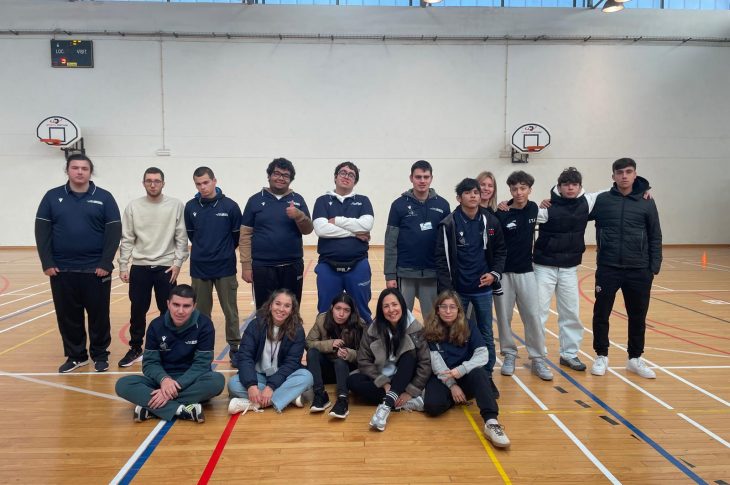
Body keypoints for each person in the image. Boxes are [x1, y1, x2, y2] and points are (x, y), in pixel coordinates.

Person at [35, 154, 121, 373]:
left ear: (90, 172)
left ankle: (100, 355)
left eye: (84, 168)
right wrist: (47, 262)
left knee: (99, 316)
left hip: (96, 270)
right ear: (67, 170)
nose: (80, 172)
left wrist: (105, 263)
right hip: (62, 270)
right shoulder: (52, 197)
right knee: (68, 316)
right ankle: (76, 356)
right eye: (75, 167)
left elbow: (113, 233)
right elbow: (42, 232)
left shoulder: (104, 197)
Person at [589, 158, 662, 379]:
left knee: (638, 316)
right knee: (601, 313)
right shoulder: (602, 200)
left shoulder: (646, 202)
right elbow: (573, 211)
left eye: (628, 172)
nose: (624, 176)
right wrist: (550, 199)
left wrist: (653, 267)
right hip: (608, 267)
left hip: (639, 270)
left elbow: (655, 234)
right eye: (619, 172)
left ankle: (635, 358)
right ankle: (601, 355)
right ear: (613, 176)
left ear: (635, 174)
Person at [435, 178, 506, 397]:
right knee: (456, 332)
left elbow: (501, 251)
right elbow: (441, 260)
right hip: (458, 292)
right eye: (468, 192)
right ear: (459, 198)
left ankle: (487, 376)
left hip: (483, 290)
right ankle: (456, 375)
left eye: (476, 192)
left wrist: (493, 275)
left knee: (486, 333)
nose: (473, 195)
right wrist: (448, 292)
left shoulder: (490, 221)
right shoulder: (449, 223)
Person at [115, 284, 225, 423]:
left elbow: (202, 365)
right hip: (161, 381)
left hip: (191, 381)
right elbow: (150, 363)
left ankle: (151, 408)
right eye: (176, 305)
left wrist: (173, 387)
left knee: (217, 381)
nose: (180, 311)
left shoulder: (204, 324)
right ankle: (181, 410)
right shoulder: (156, 325)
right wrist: (164, 380)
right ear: (168, 304)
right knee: (123, 384)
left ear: (194, 306)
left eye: (186, 306)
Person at [117, 167, 189, 368]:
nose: (153, 184)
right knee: (137, 310)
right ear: (143, 183)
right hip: (140, 267)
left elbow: (181, 237)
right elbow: (127, 238)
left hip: (166, 267)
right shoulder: (133, 206)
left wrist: (177, 263)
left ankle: (167, 348)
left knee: (167, 310)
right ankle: (135, 348)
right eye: (149, 180)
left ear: (163, 183)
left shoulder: (175, 205)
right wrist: (123, 265)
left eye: (157, 181)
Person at [422, 291, 510, 448]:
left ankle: (491, 423)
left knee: (480, 373)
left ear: (458, 310)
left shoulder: (469, 326)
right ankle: (458, 396)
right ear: (437, 310)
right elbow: (436, 363)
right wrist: (452, 386)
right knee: (433, 407)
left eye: (452, 307)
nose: (448, 311)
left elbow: (483, 354)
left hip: (465, 375)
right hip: (443, 377)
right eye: (443, 307)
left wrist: (462, 370)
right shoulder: (429, 329)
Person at [493, 171, 553, 381]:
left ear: (529, 189)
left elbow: (561, 204)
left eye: (523, 188)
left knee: (532, 316)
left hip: (526, 271)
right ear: (510, 190)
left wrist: (549, 200)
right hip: (503, 273)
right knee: (504, 317)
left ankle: (538, 358)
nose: (519, 192)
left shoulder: (534, 208)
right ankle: (509, 354)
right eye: (515, 189)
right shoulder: (502, 212)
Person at [347, 288, 431, 432]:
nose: (391, 310)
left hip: (405, 377)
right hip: (382, 378)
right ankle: (402, 401)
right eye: (386, 306)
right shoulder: (372, 329)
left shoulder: (415, 329)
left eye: (394, 304)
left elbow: (425, 363)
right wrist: (384, 383)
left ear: (402, 305)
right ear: (381, 310)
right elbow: (363, 360)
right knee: (352, 381)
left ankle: (386, 406)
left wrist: (410, 391)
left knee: (409, 356)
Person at [184, 166, 243, 365]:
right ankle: (203, 348)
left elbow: (236, 236)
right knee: (200, 313)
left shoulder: (230, 206)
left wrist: (222, 252)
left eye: (206, 182)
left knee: (230, 311)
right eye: (198, 184)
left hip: (225, 267)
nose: (202, 187)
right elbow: (192, 234)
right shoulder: (190, 207)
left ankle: (235, 347)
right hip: (199, 268)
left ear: (214, 181)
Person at [239, 158, 313, 309]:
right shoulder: (255, 200)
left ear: (290, 179)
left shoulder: (298, 200)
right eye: (277, 173)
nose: (281, 178)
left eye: (285, 175)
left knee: (291, 309)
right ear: (269, 176)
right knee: (264, 310)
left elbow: (308, 229)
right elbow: (245, 235)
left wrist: (298, 215)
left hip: (292, 266)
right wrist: (246, 266)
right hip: (262, 267)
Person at [228, 289, 313, 414]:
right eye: (277, 304)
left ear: (292, 310)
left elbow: (291, 364)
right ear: (270, 305)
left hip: (283, 377)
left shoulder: (297, 330)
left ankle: (254, 403)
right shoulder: (255, 325)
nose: (281, 309)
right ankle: (288, 398)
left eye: (287, 306)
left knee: (307, 377)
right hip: (258, 376)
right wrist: (251, 385)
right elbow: (245, 357)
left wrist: (271, 387)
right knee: (233, 383)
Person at [384, 160, 450, 317]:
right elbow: (390, 242)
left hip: (432, 272)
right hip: (405, 272)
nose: (422, 181)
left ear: (431, 178)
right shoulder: (398, 205)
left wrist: (446, 274)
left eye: (426, 177)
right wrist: (390, 275)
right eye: (418, 177)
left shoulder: (443, 205)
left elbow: (447, 243)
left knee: (432, 319)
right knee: (401, 318)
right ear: (411, 178)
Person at [312, 161, 374, 323]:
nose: (347, 176)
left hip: (358, 264)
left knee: (362, 311)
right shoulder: (322, 201)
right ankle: (325, 339)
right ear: (335, 177)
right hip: (328, 265)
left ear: (355, 181)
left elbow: (366, 225)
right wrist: (355, 233)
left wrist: (337, 221)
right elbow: (321, 229)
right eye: (343, 173)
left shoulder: (363, 201)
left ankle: (365, 339)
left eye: (351, 175)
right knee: (325, 311)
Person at [305, 293, 366, 419]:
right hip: (327, 369)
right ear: (332, 308)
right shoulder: (322, 319)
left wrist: (349, 353)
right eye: (338, 308)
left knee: (340, 361)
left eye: (346, 310)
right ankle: (320, 395)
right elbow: (308, 343)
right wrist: (330, 344)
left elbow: (366, 355)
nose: (341, 314)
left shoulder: (359, 324)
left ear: (351, 312)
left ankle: (343, 400)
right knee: (312, 352)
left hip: (347, 370)